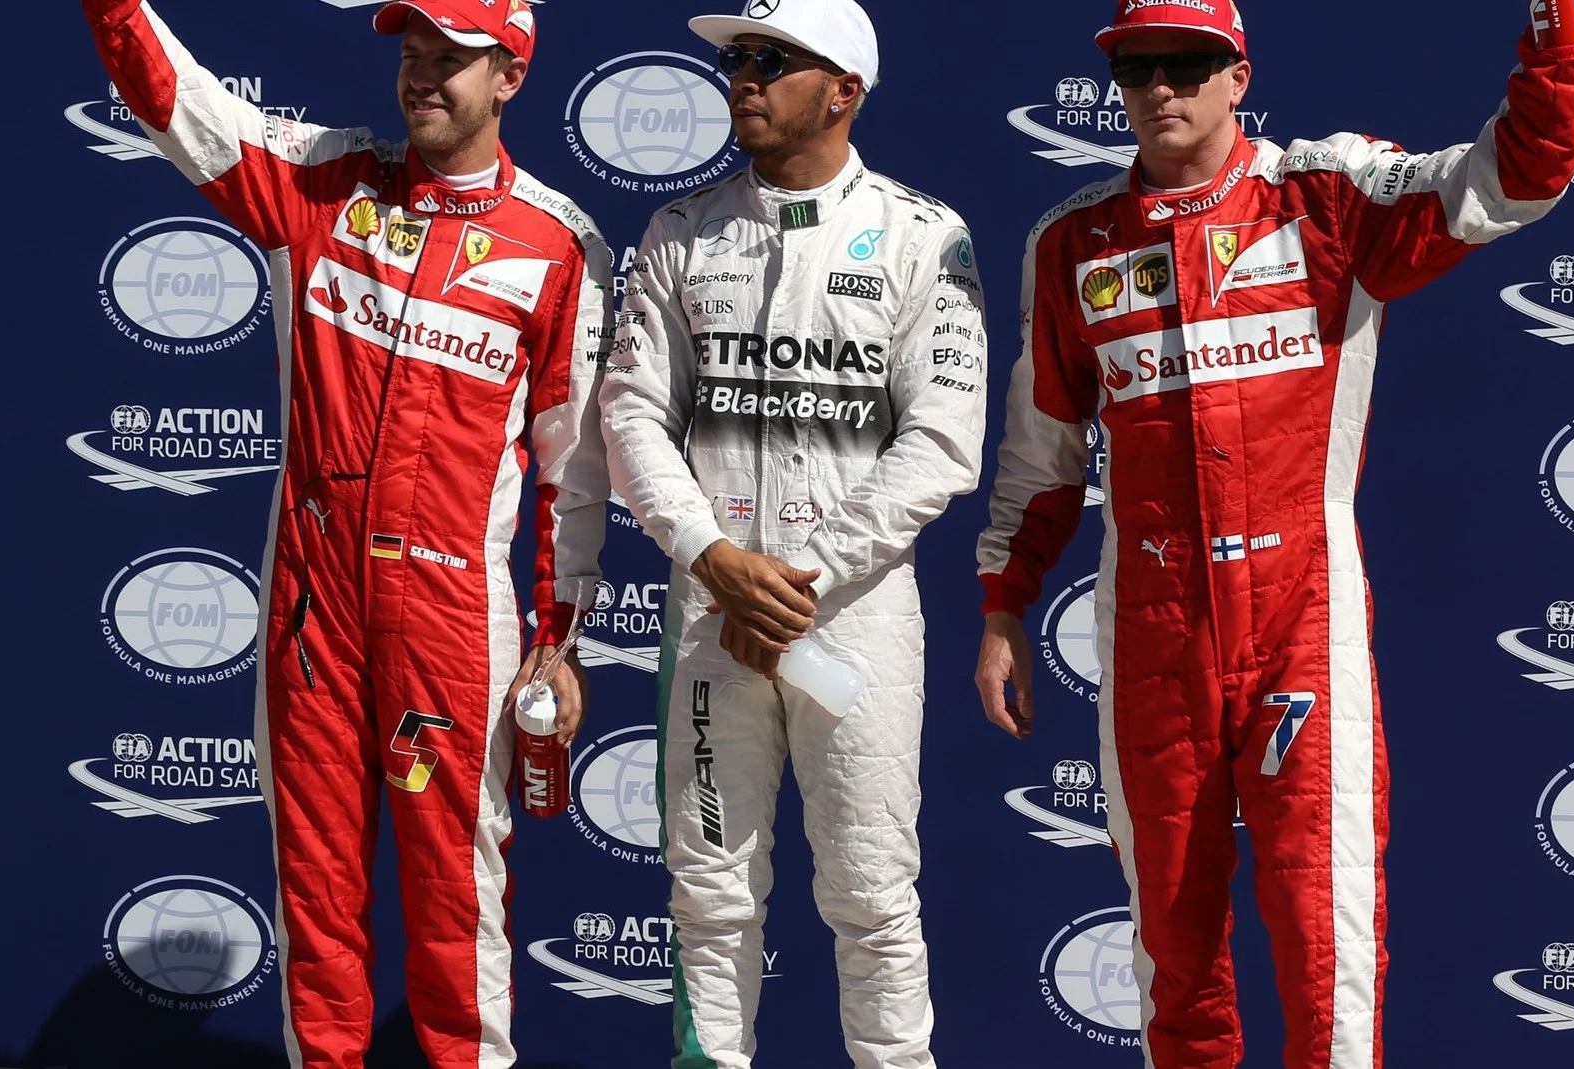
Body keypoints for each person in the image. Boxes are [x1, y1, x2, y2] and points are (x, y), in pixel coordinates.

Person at [973, 1, 1574, 1066]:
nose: (1158, 87)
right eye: (1135, 68)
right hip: (1151, 636)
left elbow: (1515, 177)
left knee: (1326, 933)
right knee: (1172, 949)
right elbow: (1041, 461)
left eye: (1186, 62)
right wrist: (1003, 609)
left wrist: (1558, 37)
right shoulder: (1072, 242)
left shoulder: (1328, 189)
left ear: (1237, 75)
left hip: (1301, 616)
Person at [78, 1, 612, 1065]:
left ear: (509, 74)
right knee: (316, 896)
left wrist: (559, 633)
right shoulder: (324, 182)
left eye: (449, 60)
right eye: (411, 55)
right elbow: (176, 99)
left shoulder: (559, 243)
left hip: (452, 617)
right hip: (314, 602)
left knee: (457, 897)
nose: (421, 78)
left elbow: (575, 472)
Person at [599, 1, 988, 1065]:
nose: (744, 79)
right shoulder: (680, 233)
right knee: (710, 894)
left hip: (851, 624)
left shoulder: (923, 235)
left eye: (771, 61)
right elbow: (631, 413)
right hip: (712, 615)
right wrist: (712, 557)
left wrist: (803, 577)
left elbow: (944, 441)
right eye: (737, 61)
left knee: (870, 893)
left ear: (843, 89)